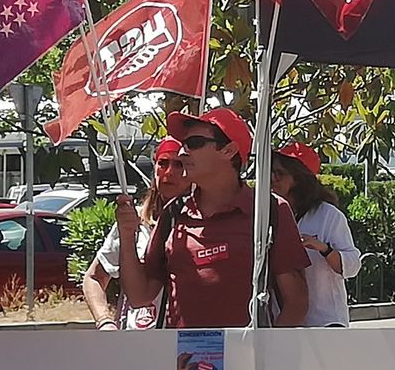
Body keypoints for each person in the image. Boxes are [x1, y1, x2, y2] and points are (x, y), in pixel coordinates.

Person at [115, 108, 310, 328]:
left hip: (249, 350)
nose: (182, 153)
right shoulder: (173, 214)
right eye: (183, 144)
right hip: (182, 351)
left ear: (229, 150)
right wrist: (127, 236)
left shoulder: (270, 210)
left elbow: (297, 303)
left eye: (194, 143)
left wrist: (264, 348)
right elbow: (140, 296)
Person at [83, 138, 189, 330]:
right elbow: (94, 278)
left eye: (179, 164)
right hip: (133, 340)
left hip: (182, 340)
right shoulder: (133, 222)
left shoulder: (202, 225)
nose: (169, 172)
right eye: (163, 163)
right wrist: (105, 321)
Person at [271, 142, 362, 327]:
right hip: (283, 323)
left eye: (279, 173)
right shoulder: (268, 213)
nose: (273, 179)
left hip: (325, 322)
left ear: (298, 178)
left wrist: (324, 249)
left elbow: (352, 266)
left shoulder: (328, 215)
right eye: (271, 172)